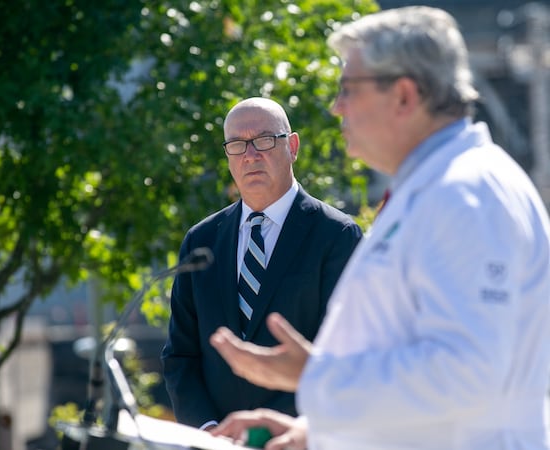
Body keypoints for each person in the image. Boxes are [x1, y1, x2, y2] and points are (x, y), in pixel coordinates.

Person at [209, 6, 550, 450]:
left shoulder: (465, 195)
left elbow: (468, 374)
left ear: (405, 96)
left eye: (348, 89)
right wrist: (316, 433)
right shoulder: (436, 189)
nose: (336, 107)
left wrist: (315, 376)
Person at [161, 97, 363, 430]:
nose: (251, 155)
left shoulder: (338, 236)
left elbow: (346, 355)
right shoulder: (201, 241)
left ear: (293, 146)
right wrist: (208, 430)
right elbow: (181, 355)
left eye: (265, 140)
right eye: (237, 145)